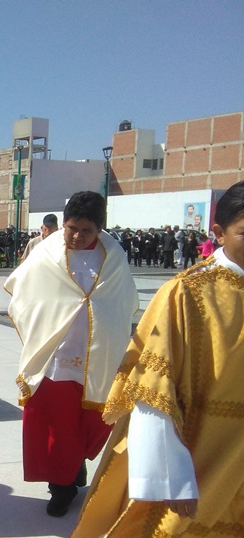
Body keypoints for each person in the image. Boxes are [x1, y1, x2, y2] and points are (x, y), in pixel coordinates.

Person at [72, 181, 244, 537]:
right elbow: (153, 390)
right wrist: (171, 476)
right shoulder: (187, 293)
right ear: (219, 233)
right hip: (202, 458)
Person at [4, 191, 139, 517]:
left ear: (100, 228)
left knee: (84, 423)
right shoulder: (46, 253)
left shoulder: (113, 257)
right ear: (63, 224)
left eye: (87, 231)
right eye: (71, 228)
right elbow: (23, 292)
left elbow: (124, 302)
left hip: (97, 354)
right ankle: (61, 487)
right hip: (56, 356)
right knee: (57, 425)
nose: (77, 237)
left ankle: (75, 468)